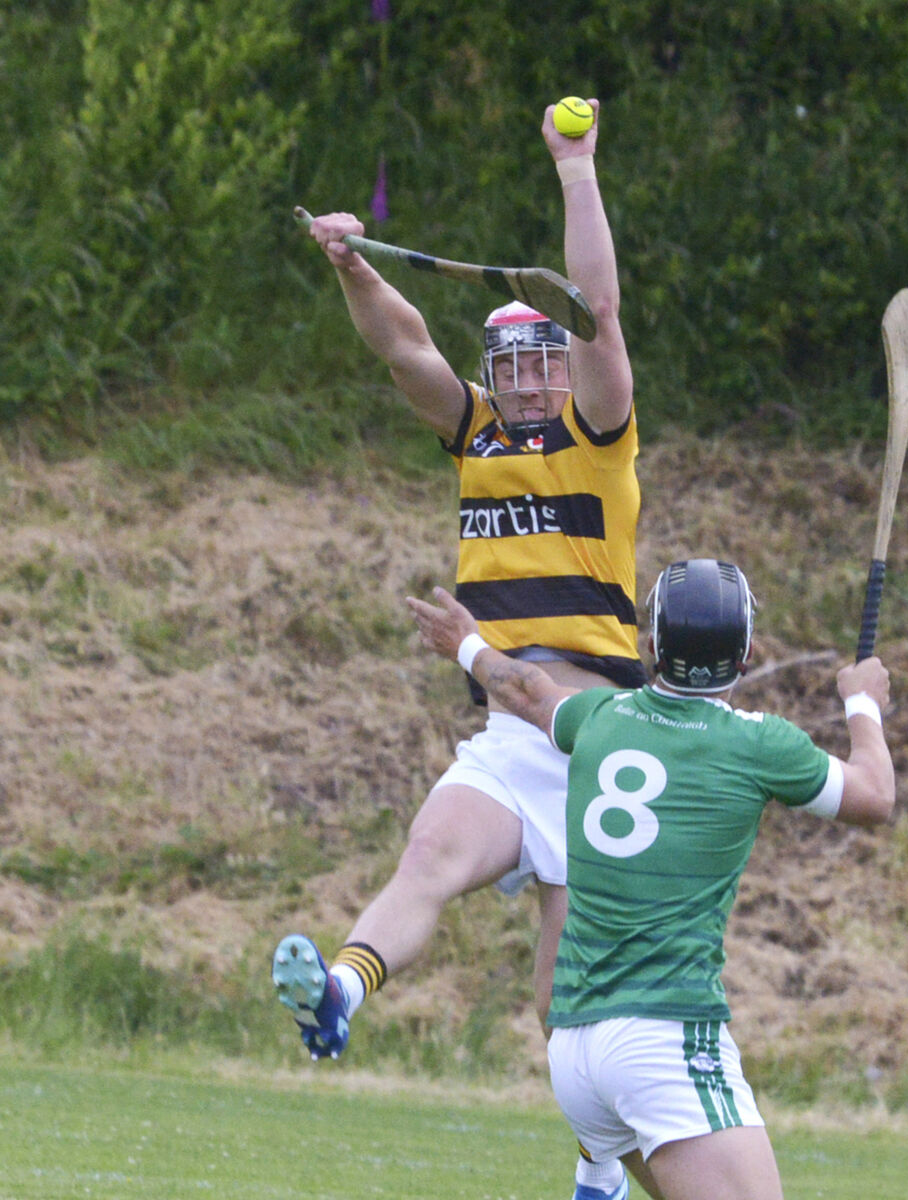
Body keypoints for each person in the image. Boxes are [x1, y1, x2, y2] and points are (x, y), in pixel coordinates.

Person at [272, 99, 643, 1200]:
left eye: (543, 364)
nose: (527, 382)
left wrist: (574, 170)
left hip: (594, 745)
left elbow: (601, 309)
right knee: (429, 859)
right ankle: (337, 994)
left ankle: (601, 1170)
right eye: (511, 367)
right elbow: (402, 345)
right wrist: (346, 262)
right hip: (504, 733)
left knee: (558, 1006)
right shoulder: (474, 429)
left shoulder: (599, 434)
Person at [405, 558, 896, 1200]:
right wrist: (863, 702)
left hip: (577, 1053)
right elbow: (874, 797)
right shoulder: (759, 744)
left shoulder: (602, 717)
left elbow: (525, 689)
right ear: (746, 653)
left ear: (651, 645)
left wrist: (466, 644)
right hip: (664, 1039)